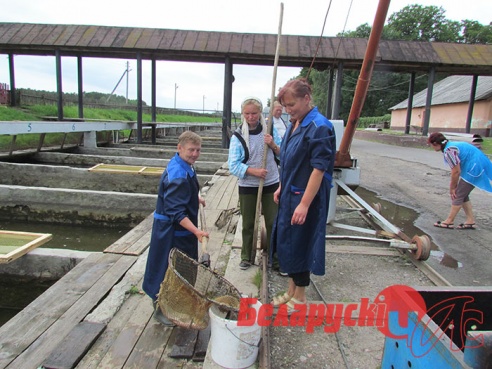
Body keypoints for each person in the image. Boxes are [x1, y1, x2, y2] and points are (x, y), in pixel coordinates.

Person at [270, 78, 336, 311]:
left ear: (306, 99)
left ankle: (300, 298)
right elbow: (289, 162)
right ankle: (290, 291)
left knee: (301, 243)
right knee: (288, 244)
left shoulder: (319, 127)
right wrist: (280, 185)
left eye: (292, 105)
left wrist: (305, 204)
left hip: (306, 196)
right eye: (285, 106)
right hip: (290, 191)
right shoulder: (295, 123)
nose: (288, 111)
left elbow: (319, 169)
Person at [142, 131, 209, 326]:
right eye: (191, 150)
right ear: (179, 148)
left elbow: (183, 194)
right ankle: (160, 308)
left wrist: (194, 197)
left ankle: (176, 302)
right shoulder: (178, 174)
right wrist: (197, 231)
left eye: (198, 150)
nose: (195, 154)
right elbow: (175, 212)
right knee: (166, 268)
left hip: (181, 230)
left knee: (180, 269)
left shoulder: (185, 165)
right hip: (170, 232)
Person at [228, 97, 282, 270]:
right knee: (248, 223)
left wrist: (272, 144)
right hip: (248, 185)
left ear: (260, 113)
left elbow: (284, 154)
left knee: (273, 221)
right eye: (247, 113)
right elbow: (233, 165)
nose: (251, 117)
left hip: (271, 182)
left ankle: (276, 258)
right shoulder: (238, 136)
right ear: (242, 114)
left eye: (254, 113)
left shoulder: (270, 131)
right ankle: (246, 256)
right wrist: (253, 171)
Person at [428, 132, 492, 230]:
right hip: (477, 165)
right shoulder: (451, 146)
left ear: (436, 144)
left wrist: (452, 188)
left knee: (457, 194)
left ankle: (449, 221)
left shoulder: (449, 151)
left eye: (431, 144)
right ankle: (470, 221)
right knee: (463, 194)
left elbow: (456, 171)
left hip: (475, 168)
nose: (431, 147)